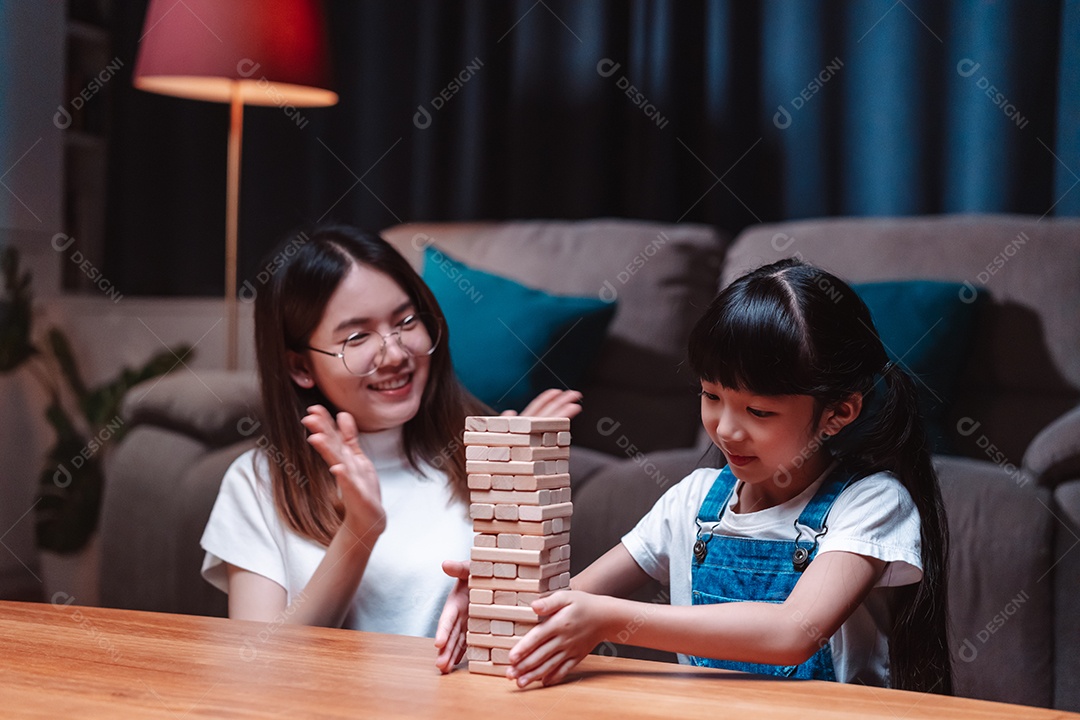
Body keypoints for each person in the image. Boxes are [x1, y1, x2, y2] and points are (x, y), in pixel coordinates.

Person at [502, 258, 952, 694]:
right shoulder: (692, 500)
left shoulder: (871, 503)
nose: (726, 428)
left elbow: (793, 632)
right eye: (711, 395)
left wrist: (605, 619)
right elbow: (571, 597)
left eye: (759, 410)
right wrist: (502, 578)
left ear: (839, 412)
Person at [199, 225, 581, 673]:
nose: (396, 354)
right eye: (356, 337)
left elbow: (532, 642)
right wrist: (360, 530)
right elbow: (258, 670)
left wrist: (521, 488)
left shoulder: (488, 455)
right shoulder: (259, 483)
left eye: (405, 322)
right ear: (300, 367)